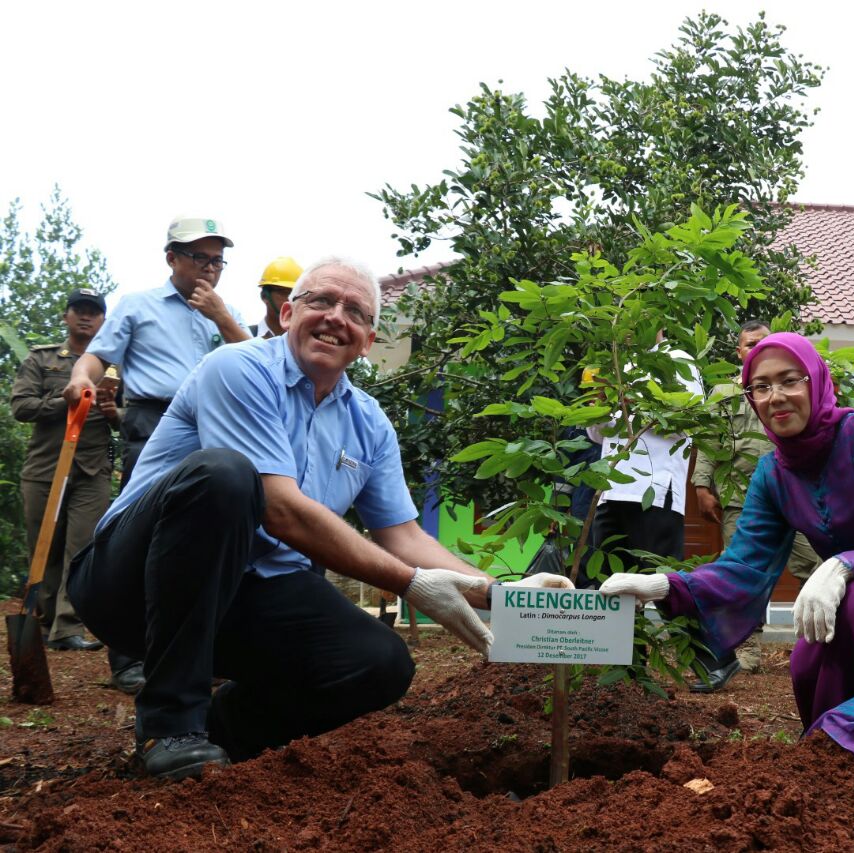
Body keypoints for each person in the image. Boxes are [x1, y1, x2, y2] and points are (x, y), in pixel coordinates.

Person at [64, 257, 571, 781]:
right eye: (321, 301)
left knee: (378, 664)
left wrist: (502, 595)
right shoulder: (237, 368)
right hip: (130, 588)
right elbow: (278, 508)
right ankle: (170, 725)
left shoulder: (369, 424)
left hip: (241, 598)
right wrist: (412, 584)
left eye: (355, 311)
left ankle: (214, 737)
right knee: (225, 477)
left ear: (368, 340)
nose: (336, 317)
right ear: (287, 314)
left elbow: (403, 535)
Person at [599, 333, 854, 755]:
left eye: (790, 380)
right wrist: (664, 585)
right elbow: (744, 566)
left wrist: (843, 566)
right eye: (760, 387)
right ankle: (836, 756)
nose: (775, 397)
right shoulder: (772, 474)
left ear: (816, 381)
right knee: (807, 658)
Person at [65, 215, 250, 693]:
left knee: (209, 532)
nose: (210, 269)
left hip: (217, 425)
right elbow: (96, 356)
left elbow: (256, 362)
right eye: (199, 258)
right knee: (138, 530)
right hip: (154, 424)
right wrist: (81, 379)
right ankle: (128, 656)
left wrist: (222, 317)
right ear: (171, 258)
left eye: (218, 260)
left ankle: (203, 652)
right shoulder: (138, 305)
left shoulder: (226, 312)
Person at [691, 320, 819, 687]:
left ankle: (821, 640)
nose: (757, 348)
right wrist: (702, 485)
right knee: (742, 575)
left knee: (814, 565)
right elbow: (710, 440)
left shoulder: (791, 387)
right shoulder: (723, 393)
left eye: (764, 342)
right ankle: (746, 648)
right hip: (739, 497)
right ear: (739, 351)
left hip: (793, 494)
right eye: (750, 344)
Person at [10, 289, 118, 652]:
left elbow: (132, 419)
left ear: (104, 321)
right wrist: (66, 399)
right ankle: (40, 620)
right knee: (45, 547)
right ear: (66, 316)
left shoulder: (117, 367)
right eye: (79, 310)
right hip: (45, 467)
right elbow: (21, 407)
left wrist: (112, 412)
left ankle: (67, 627)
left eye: (94, 312)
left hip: (92, 470)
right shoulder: (42, 361)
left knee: (82, 548)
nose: (86, 317)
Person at [586, 333, 703, 581]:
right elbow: (599, 436)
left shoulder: (677, 359)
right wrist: (601, 406)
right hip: (610, 490)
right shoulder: (615, 365)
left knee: (662, 584)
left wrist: (636, 401)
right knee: (609, 588)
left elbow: (690, 421)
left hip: (656, 490)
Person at [254, 256, 303, 338]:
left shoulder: (304, 344)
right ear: (264, 296)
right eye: (285, 292)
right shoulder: (243, 337)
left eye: (297, 293)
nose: (291, 299)